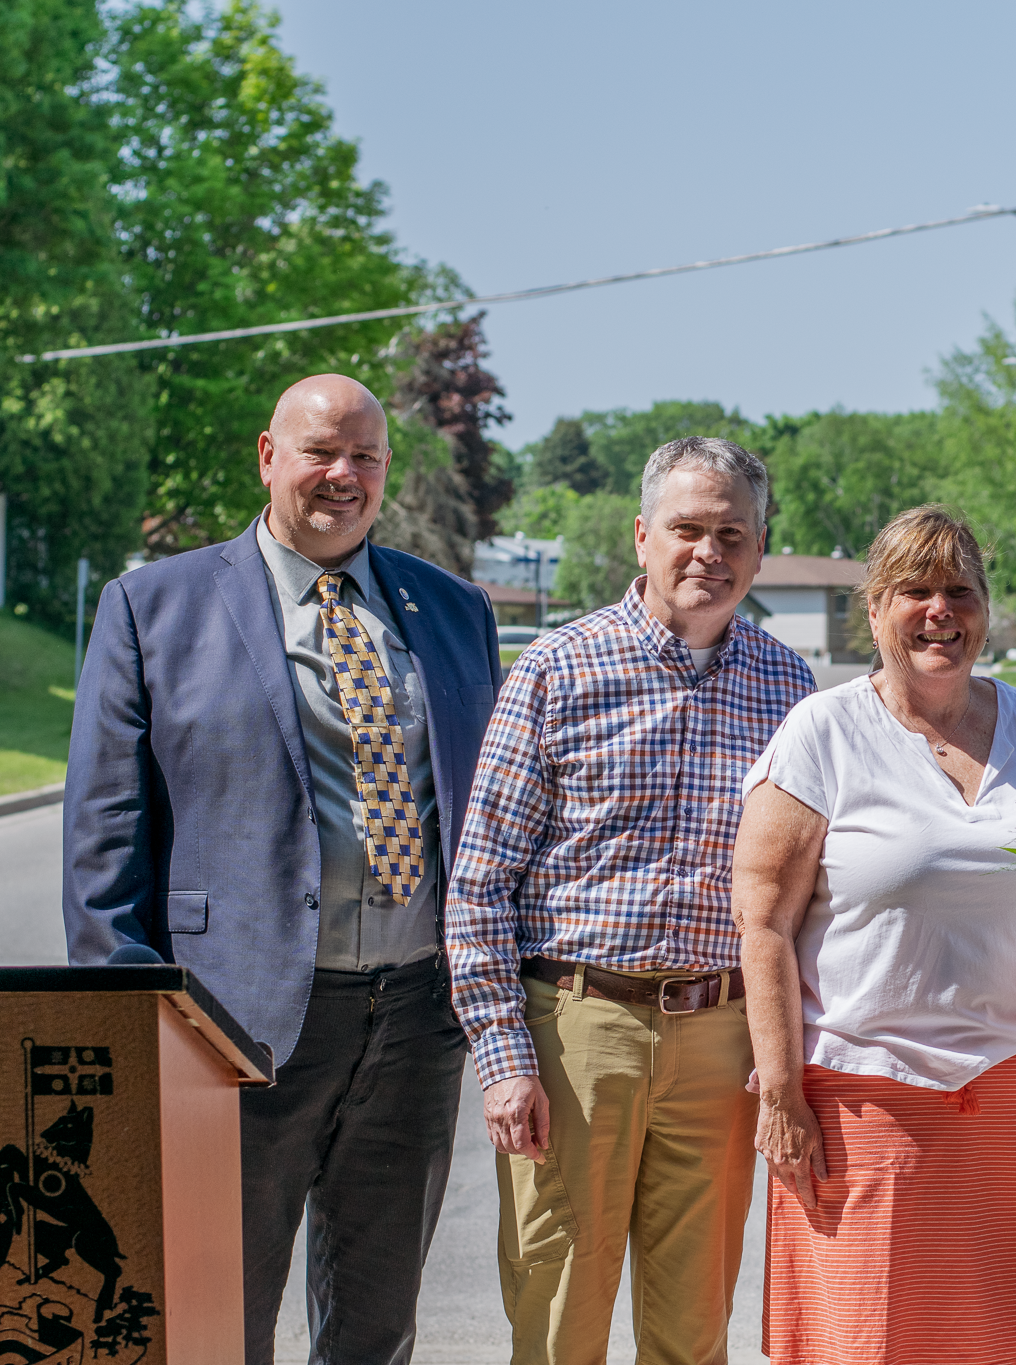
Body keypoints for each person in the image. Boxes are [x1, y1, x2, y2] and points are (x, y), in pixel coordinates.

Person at [63, 373, 503, 1365]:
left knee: (377, 1322)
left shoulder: (453, 611)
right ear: (269, 456)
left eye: (364, 457)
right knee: (219, 1317)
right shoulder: (153, 607)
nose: (341, 475)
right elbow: (102, 845)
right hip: (233, 1023)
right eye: (320, 452)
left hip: (415, 1021)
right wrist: (143, 1036)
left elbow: (490, 817)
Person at [446, 437, 815, 1365]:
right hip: (577, 1031)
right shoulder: (557, 669)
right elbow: (481, 881)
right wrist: (502, 1059)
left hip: (720, 1038)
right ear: (642, 536)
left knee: (694, 1327)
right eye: (687, 529)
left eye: (732, 532)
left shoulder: (791, 690)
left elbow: (811, 894)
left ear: (760, 548)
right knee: (559, 1308)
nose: (709, 552)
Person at [734, 505, 1016, 1365]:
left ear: (987, 608)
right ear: (874, 609)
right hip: (868, 1099)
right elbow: (764, 921)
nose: (942, 611)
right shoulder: (824, 732)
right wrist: (781, 1094)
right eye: (916, 591)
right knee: (868, 1341)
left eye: (960, 591)